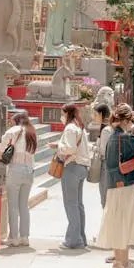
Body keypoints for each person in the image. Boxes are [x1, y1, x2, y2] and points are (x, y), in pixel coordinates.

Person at [97, 104, 134, 268]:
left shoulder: (113, 136)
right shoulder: (124, 138)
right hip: (126, 184)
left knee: (118, 223)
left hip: (114, 185)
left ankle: (119, 261)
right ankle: (124, 263)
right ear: (127, 120)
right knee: (125, 224)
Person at [53, 103, 91, 250]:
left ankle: (73, 240)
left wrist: (58, 146)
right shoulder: (79, 127)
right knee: (78, 204)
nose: (61, 116)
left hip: (72, 167)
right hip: (82, 167)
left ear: (67, 113)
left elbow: (70, 148)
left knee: (71, 204)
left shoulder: (69, 128)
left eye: (62, 113)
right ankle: (81, 236)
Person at [0, 110, 38, 247]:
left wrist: (1, 158)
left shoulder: (13, 131)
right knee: (24, 206)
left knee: (13, 205)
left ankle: (13, 238)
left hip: (15, 169)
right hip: (29, 171)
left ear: (15, 121)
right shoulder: (32, 132)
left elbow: (0, 150)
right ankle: (24, 237)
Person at [90, 104, 113, 211]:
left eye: (95, 114)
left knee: (105, 197)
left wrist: (93, 147)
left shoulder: (106, 130)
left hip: (105, 165)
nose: (93, 117)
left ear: (101, 114)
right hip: (109, 166)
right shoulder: (108, 128)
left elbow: (104, 151)